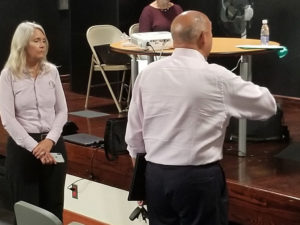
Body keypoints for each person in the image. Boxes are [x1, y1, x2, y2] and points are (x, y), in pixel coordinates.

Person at [125, 10, 277, 225]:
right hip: (197, 180)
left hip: (155, 177)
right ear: (204, 37)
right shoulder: (217, 77)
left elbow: (134, 137)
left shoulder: (147, 74)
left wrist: (140, 181)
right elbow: (267, 106)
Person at [0, 21, 68, 221]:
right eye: (36, 40)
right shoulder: (8, 75)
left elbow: (62, 111)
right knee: (27, 210)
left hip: (53, 143)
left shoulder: (52, 71)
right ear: (22, 45)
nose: (42, 45)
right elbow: (8, 119)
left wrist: (49, 141)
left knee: (54, 206)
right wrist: (35, 148)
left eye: (44, 40)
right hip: (23, 149)